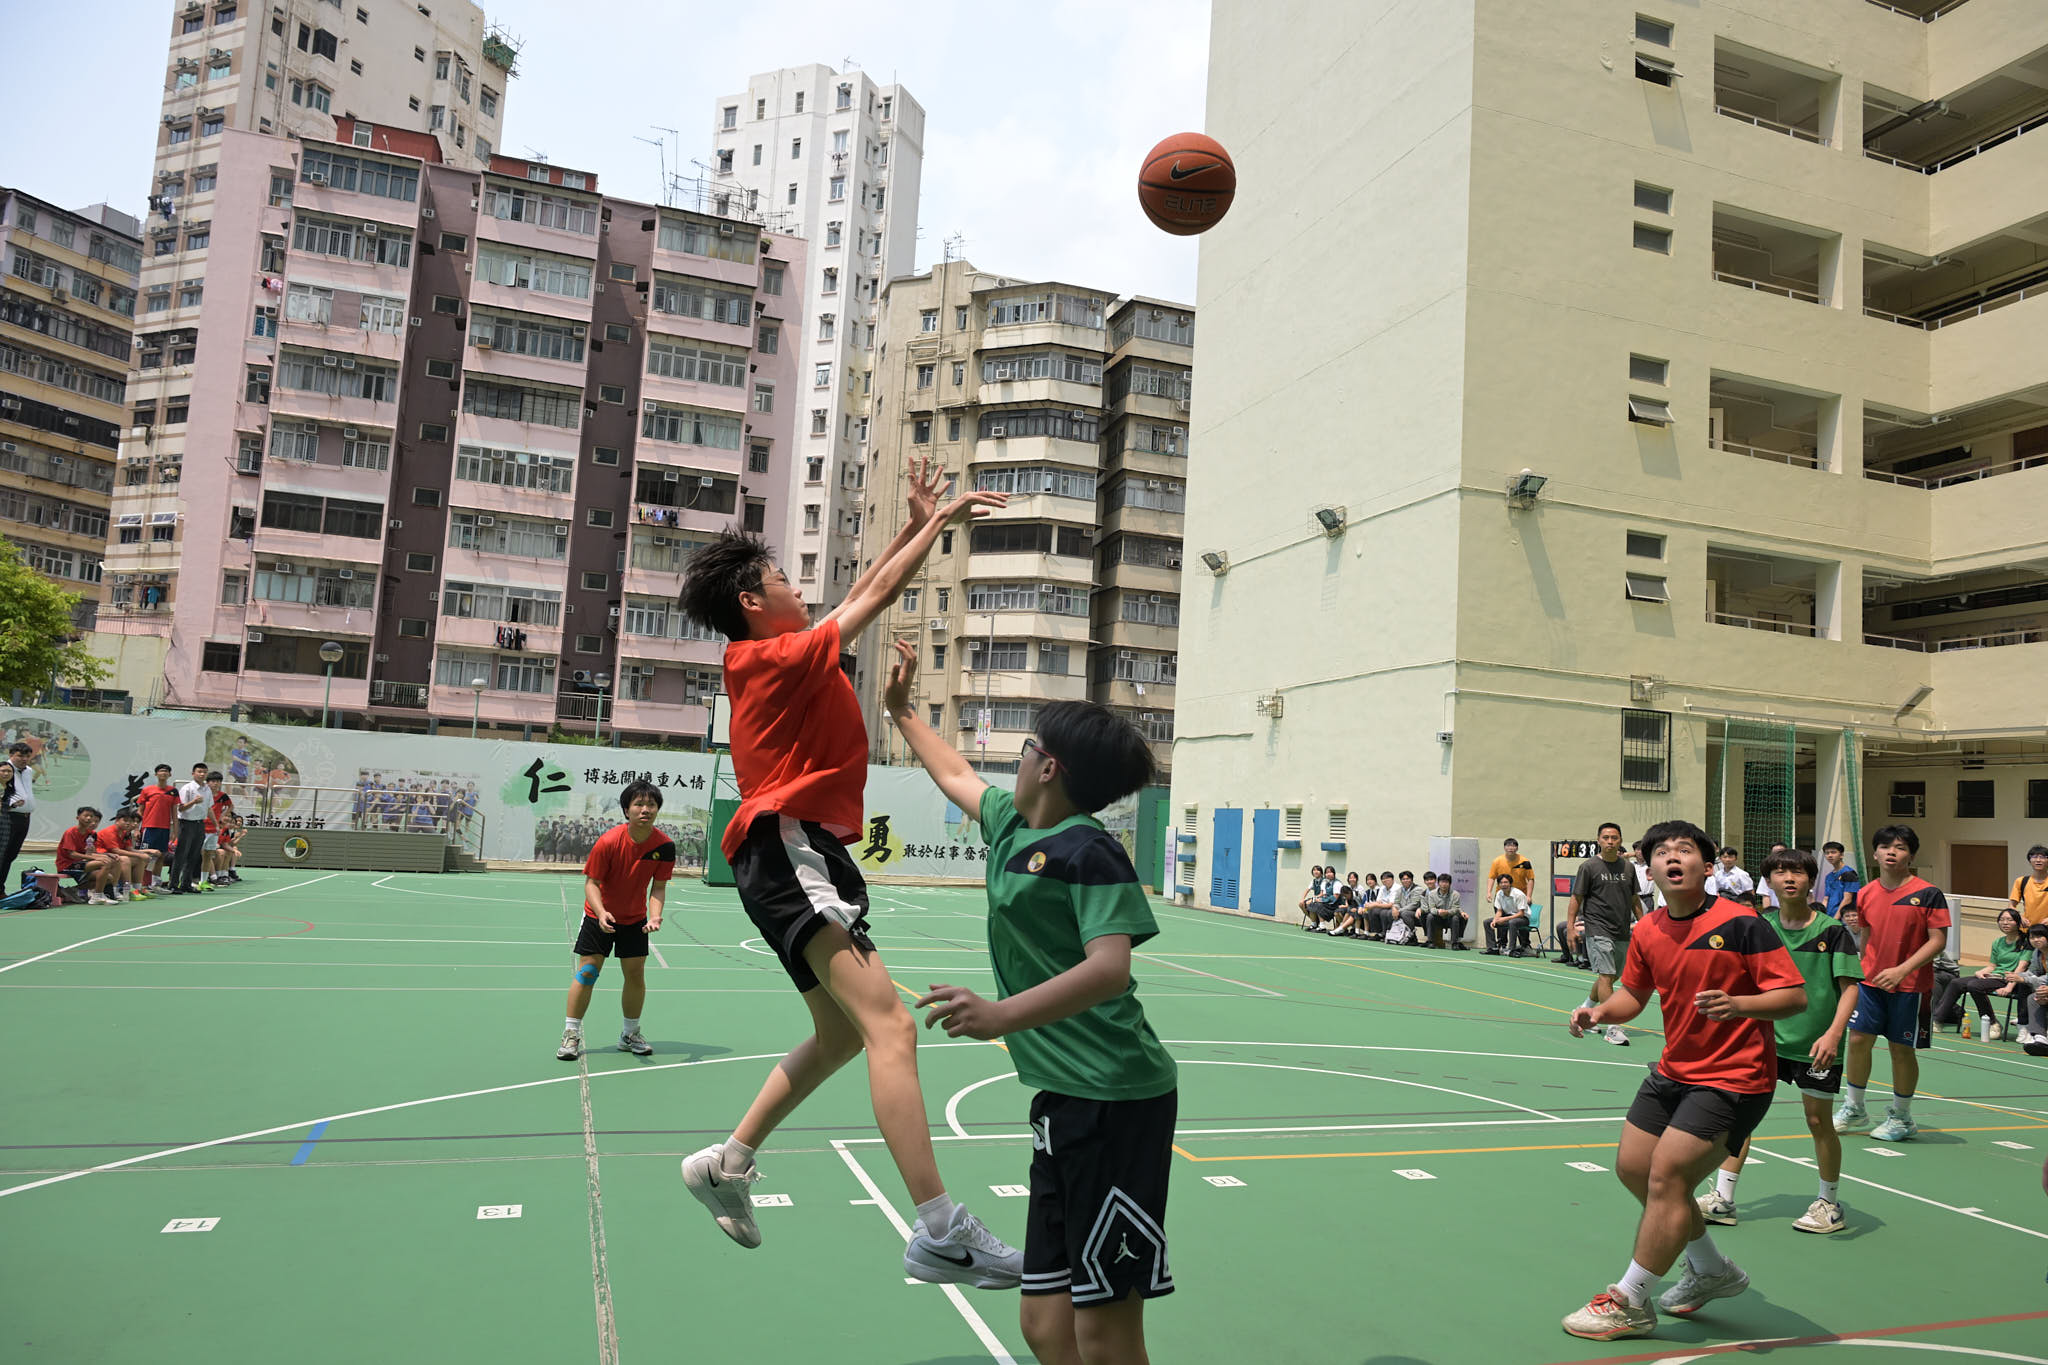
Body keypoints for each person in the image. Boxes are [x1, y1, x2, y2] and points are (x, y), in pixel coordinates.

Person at [673, 461, 1023, 1288]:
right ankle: (941, 1228)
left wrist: (918, 523)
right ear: (753, 601)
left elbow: (865, 588)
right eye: (783, 577)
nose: (799, 588)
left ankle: (728, 1161)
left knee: (840, 1036)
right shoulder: (764, 658)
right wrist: (937, 526)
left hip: (795, 851)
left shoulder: (782, 654)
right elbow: (877, 594)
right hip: (787, 844)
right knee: (892, 1028)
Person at [882, 643, 1177, 1365]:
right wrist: (901, 710)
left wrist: (999, 1015)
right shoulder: (1012, 826)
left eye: (1025, 749)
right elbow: (955, 772)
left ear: (1048, 767)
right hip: (1061, 1102)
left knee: (1105, 1333)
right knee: (1046, 1326)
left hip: (1115, 1101)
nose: (1014, 762)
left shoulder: (1090, 853)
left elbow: (1109, 968)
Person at [1561, 819, 1806, 1341]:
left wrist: (1739, 1004)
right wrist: (1599, 1011)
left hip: (1735, 1077)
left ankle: (1629, 1301)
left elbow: (1793, 996)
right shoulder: (1649, 930)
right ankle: (1711, 1268)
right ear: (1647, 870)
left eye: (1685, 850)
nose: (1673, 858)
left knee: (1668, 1178)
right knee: (1633, 1169)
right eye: (1662, 852)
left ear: (1708, 866)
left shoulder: (1742, 923)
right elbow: (1634, 996)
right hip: (1675, 1070)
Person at [1696, 848, 1862, 1236]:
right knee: (1741, 1118)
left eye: (1798, 872)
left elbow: (1850, 988)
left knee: (1818, 1121)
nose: (1789, 878)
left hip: (1814, 1044)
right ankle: (1723, 1198)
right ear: (1768, 881)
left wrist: (1833, 1034)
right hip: (1763, 1038)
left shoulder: (1832, 931)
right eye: (1781, 872)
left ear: (1811, 881)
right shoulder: (1759, 926)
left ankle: (1829, 1203)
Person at [1834, 825, 1949, 1143]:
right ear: (1875, 854)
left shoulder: (1929, 893)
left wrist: (1901, 970)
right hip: (1870, 983)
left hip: (1910, 986)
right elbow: (1867, 936)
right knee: (1858, 1040)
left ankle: (1902, 1117)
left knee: (1901, 1050)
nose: (1891, 852)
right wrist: (1861, 971)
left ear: (1910, 855)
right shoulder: (1866, 892)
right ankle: (1855, 1107)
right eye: (1885, 847)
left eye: (1899, 847)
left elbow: (1937, 941)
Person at [557, 780, 674, 1061]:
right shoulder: (609, 841)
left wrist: (655, 915)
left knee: (635, 975)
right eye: (639, 804)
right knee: (588, 972)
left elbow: (658, 887)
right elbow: (591, 883)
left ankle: (630, 1034)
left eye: (651, 805)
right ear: (626, 810)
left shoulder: (665, 846)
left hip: (635, 920)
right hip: (599, 915)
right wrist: (601, 913)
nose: (645, 809)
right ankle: (571, 1033)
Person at [1573, 823, 1644, 1046]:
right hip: (1597, 928)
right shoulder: (1588, 867)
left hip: (1621, 930)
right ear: (1599, 840)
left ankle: (1585, 1010)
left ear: (1620, 840)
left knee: (1612, 976)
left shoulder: (1628, 868)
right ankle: (1612, 1028)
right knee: (1606, 975)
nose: (1610, 841)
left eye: (1614, 838)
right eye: (1606, 837)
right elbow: (1577, 898)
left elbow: (1634, 899)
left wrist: (1644, 925)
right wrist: (1570, 928)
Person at [1932, 908, 2027, 1040]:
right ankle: (1937, 1020)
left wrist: (2009, 987)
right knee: (1956, 983)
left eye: (2009, 920)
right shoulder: (1998, 942)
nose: (2005, 923)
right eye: (2002, 920)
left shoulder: (2026, 943)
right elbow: (1992, 966)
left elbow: (2021, 968)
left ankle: (1993, 1023)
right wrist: (1980, 972)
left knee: (1974, 986)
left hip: (2009, 979)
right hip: (1994, 976)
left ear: (2017, 922)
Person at [57, 806, 122, 904]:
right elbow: (72, 854)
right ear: (78, 817)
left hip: (82, 863)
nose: (88, 818)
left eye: (91, 816)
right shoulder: (70, 832)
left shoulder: (91, 834)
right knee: (105, 863)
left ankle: (72, 890)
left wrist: (107, 854)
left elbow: (92, 853)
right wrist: (96, 858)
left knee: (110, 876)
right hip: (67, 865)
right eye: (86, 815)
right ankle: (97, 896)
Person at [167, 763, 213, 895]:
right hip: (186, 823)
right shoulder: (187, 788)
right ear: (193, 773)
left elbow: (209, 807)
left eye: (204, 772)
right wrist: (193, 802)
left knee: (194, 855)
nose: (202, 774)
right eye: (199, 771)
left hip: (200, 824)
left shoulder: (207, 789)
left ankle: (186, 883)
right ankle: (173, 884)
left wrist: (215, 823)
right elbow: (180, 808)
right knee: (181, 855)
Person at [0, 740, 38, 892]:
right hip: (8, 817)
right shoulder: (4, 770)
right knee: (2, 855)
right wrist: (11, 804)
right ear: (10, 755)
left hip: (24, 818)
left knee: (11, 855)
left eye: (27, 756)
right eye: (20, 756)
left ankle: (0, 889)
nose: (24, 759)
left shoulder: (28, 771)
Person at [135, 763, 179, 892]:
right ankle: (144, 884)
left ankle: (155, 884)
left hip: (164, 829)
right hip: (148, 828)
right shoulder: (147, 790)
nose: (163, 773)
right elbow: (140, 811)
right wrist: (136, 828)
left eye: (166, 771)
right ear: (156, 774)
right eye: (161, 771)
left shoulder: (173, 791)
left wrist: (175, 831)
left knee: (161, 856)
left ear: (170, 774)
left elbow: (174, 813)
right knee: (147, 855)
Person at [96, 807, 155, 901]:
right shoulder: (109, 831)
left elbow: (129, 848)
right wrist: (140, 854)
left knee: (139, 860)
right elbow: (116, 850)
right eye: (125, 820)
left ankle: (137, 888)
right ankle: (126, 889)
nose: (128, 823)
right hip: (102, 856)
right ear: (117, 821)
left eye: (130, 821)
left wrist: (144, 853)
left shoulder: (125, 833)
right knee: (125, 859)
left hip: (115, 857)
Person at [2016, 922, 2048, 1055]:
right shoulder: (2037, 953)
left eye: (2039, 936)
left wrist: (2025, 980)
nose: (2035, 940)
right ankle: (2040, 1038)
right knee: (2034, 998)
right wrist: (2016, 976)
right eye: (2032, 937)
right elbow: (2032, 972)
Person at [1485, 874, 1530, 955]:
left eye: (1506, 882)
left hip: (1523, 919)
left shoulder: (1519, 894)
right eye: (1501, 883)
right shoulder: (1499, 894)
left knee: (1512, 922)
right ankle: (1492, 948)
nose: (1503, 884)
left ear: (1510, 883)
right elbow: (1499, 911)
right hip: (1508, 917)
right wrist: (1495, 920)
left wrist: (1504, 919)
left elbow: (1521, 913)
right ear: (1498, 884)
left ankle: (1512, 950)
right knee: (1487, 922)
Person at [1423, 871, 1468, 949]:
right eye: (1442, 882)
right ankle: (1431, 942)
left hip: (1449, 918)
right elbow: (1432, 908)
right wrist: (1438, 911)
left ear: (1450, 884)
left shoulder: (1455, 894)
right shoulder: (1432, 894)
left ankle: (1455, 943)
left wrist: (1447, 912)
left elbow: (1455, 908)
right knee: (1430, 916)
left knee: (1456, 918)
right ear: (1438, 883)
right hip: (1438, 917)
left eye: (1446, 882)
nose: (1444, 884)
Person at [2011, 845, 2048, 928]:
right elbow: (2011, 906)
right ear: (2030, 860)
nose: (2038, 860)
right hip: (2028, 929)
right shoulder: (2021, 881)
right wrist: (2019, 917)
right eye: (2034, 857)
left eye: (2042, 857)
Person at [1821, 841, 1861, 917]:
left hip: (1844, 918)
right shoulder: (1829, 876)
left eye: (1833, 852)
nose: (1830, 855)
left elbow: (1847, 899)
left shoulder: (1849, 874)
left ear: (1841, 855)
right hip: (1829, 916)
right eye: (1827, 853)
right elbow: (1826, 899)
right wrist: (1822, 917)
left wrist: (1835, 919)